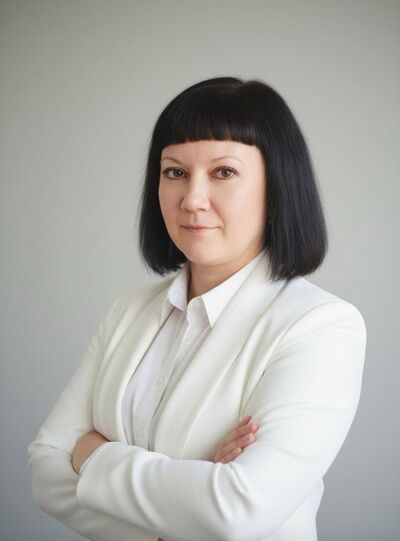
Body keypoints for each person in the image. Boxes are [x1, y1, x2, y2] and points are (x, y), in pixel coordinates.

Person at [27, 76, 367, 541]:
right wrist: (186, 500)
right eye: (174, 172)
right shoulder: (129, 310)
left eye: (224, 172)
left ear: (276, 189)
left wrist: (92, 454)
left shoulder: (321, 326)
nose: (191, 200)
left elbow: (239, 510)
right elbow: (45, 469)